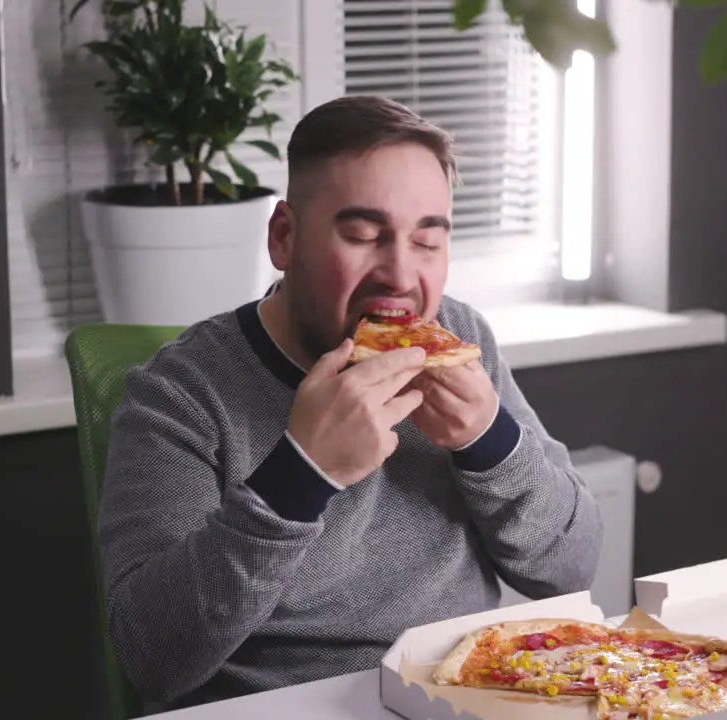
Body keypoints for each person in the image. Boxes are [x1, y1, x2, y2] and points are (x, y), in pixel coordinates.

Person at [98, 95, 604, 713]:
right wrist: (300, 476)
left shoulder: (460, 338)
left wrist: (489, 441)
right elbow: (151, 655)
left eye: (427, 241)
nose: (398, 273)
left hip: (459, 694)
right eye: (363, 235)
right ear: (284, 238)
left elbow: (572, 568)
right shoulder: (182, 393)